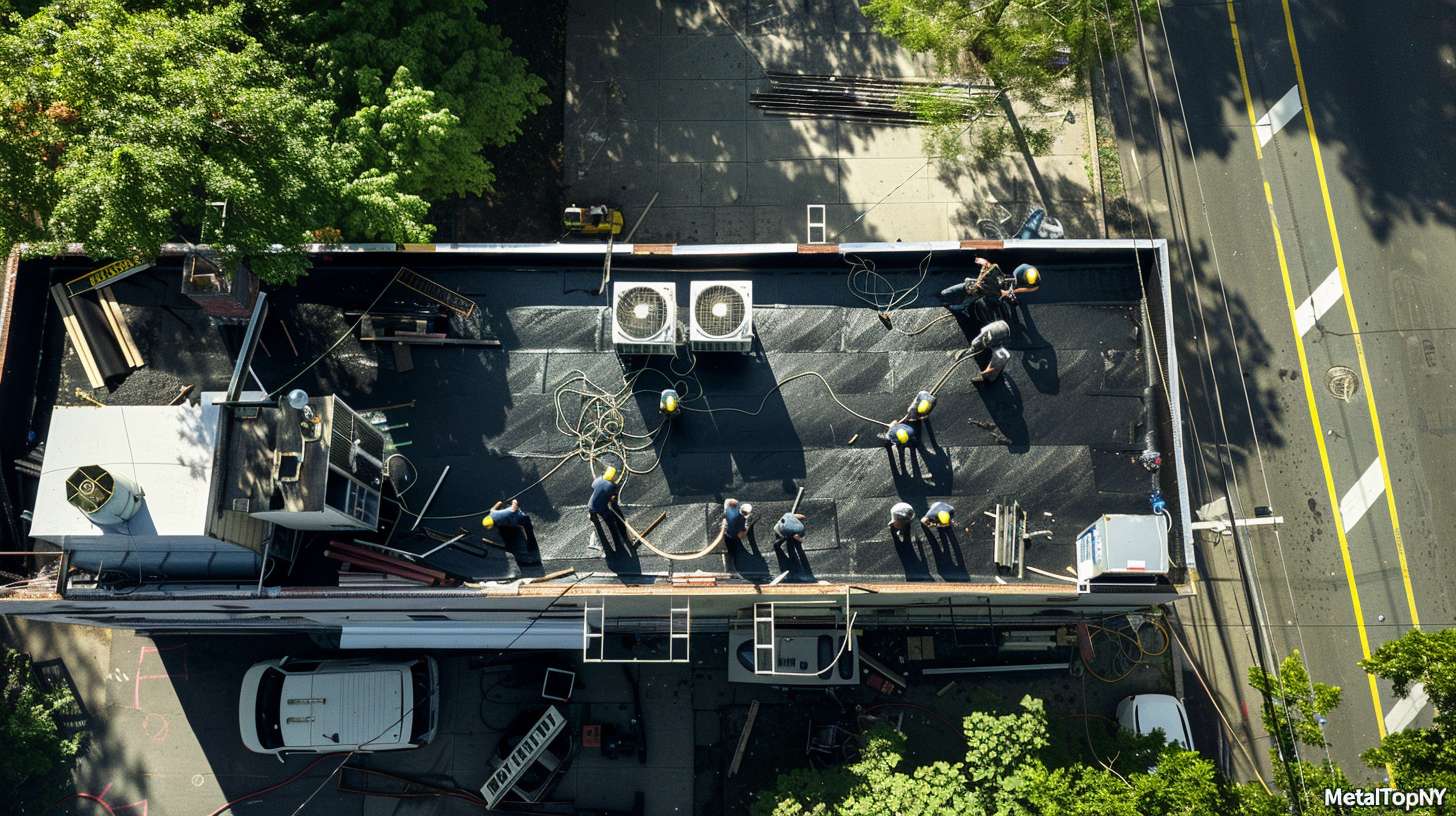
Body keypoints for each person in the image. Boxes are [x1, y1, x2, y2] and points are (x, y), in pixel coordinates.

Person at [588, 466, 628, 549]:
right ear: (613, 476)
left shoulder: (598, 480)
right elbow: (613, 499)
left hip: (591, 504)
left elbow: (593, 486)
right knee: (610, 521)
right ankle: (618, 543)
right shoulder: (611, 486)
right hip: (601, 508)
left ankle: (593, 517)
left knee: (593, 512)